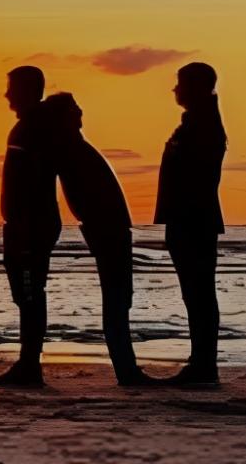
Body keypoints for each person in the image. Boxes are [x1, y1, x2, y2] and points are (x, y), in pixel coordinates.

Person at [10, 92, 158, 387]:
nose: (81, 111)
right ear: (64, 116)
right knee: (117, 299)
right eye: (74, 108)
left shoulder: (71, 146)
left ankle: (127, 368)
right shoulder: (66, 148)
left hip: (109, 227)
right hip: (105, 229)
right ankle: (126, 370)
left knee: (119, 298)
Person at [153, 62, 227, 386]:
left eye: (180, 84)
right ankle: (201, 362)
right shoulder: (196, 122)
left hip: (193, 219)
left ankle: (203, 365)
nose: (174, 90)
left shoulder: (203, 124)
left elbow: (197, 177)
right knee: (195, 295)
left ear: (196, 87)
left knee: (199, 294)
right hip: (187, 218)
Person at [0, 65, 57, 387]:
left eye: (11, 88)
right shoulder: (33, 128)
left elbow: (29, 184)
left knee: (30, 294)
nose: (6, 95)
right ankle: (28, 362)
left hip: (29, 227)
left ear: (28, 90)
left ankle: (30, 364)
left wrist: (24, 229)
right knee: (27, 294)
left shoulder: (31, 130)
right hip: (27, 225)